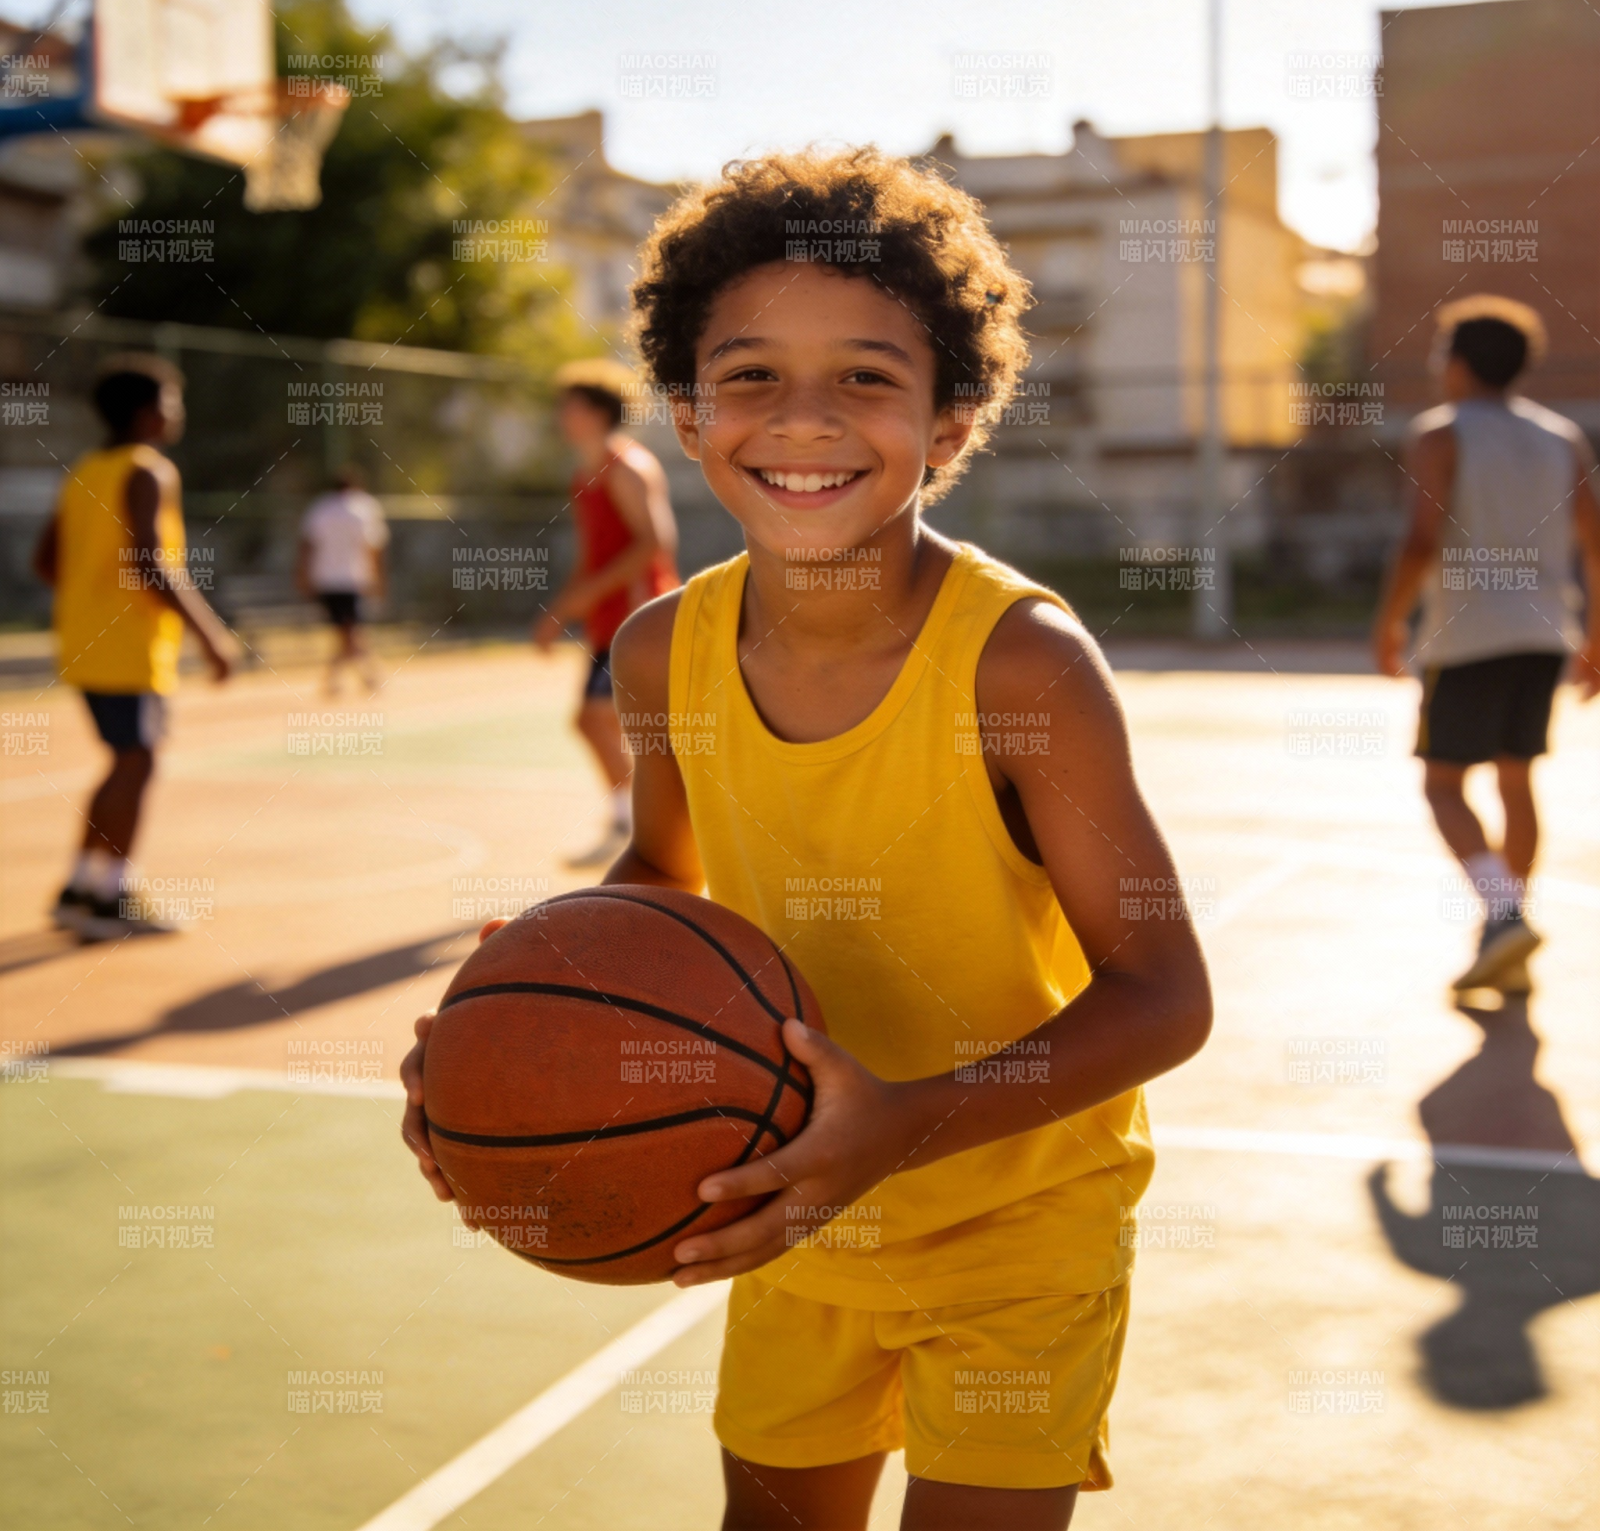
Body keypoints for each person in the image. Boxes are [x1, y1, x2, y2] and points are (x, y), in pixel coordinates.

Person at [403, 149, 1212, 1530]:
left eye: (867, 378)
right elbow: (662, 873)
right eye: (754, 374)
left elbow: (1164, 996)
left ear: (952, 424)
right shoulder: (662, 651)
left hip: (1015, 1222)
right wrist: (524, 1008)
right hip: (790, 1205)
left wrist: (896, 1126)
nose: (805, 418)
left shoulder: (1021, 669)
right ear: (688, 411)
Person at [1373, 295, 1600, 995]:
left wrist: (1390, 622)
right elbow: (1596, 544)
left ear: (1461, 365)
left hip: (1466, 629)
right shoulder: (1561, 437)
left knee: (1443, 784)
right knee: (1516, 777)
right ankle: (1511, 926)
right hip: (1544, 632)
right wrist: (1596, 637)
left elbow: (1420, 540)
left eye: (1443, 355)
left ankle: (1502, 915)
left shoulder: (1439, 434)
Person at [32, 355, 238, 939]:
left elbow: (46, 561)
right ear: (148, 414)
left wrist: (90, 593)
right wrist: (212, 636)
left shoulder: (84, 470)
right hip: (127, 647)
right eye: (172, 402)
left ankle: (79, 887)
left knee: (124, 760)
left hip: (82, 640)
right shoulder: (149, 470)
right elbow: (153, 563)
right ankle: (111, 898)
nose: (178, 413)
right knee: (137, 761)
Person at [534, 358, 678, 868]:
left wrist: (584, 596)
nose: (562, 415)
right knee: (599, 721)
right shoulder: (584, 476)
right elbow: (591, 557)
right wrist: (560, 611)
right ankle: (635, 813)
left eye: (571, 406)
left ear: (598, 414)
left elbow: (654, 544)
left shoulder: (628, 468)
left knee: (600, 718)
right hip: (607, 620)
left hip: (639, 617)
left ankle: (640, 818)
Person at [295, 466, 388, 695]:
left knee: (346, 631)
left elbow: (307, 546)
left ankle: (348, 678)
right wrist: (377, 578)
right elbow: (372, 548)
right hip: (353, 579)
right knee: (350, 631)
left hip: (326, 579)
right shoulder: (364, 507)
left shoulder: (321, 508)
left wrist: (303, 575)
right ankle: (366, 675)